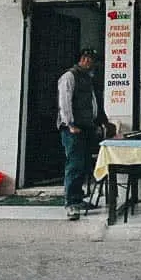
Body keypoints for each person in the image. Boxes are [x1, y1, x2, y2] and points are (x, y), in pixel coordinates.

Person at [57, 47, 108, 220]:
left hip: (87, 127)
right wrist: (70, 123)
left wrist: (101, 122)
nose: (89, 61)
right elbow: (64, 101)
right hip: (74, 128)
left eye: (91, 59)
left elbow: (95, 103)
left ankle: (78, 198)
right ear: (80, 59)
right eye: (86, 58)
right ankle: (71, 203)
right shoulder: (70, 77)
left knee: (84, 164)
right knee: (74, 164)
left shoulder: (89, 79)